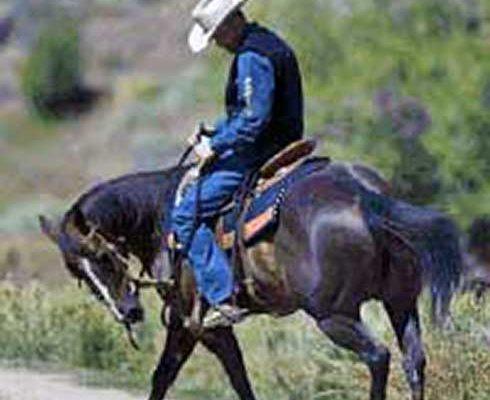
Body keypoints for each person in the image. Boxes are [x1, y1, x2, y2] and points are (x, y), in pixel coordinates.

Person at [170, 0, 304, 326]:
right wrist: (216, 129)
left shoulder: (251, 57)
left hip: (258, 151)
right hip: (280, 140)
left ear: (231, 24)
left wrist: (214, 145)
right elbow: (248, 112)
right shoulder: (269, 41)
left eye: (217, 35)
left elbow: (253, 122)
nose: (217, 43)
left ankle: (223, 296)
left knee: (186, 216)